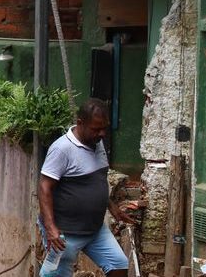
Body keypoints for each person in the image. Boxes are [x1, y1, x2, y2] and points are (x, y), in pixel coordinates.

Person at [38, 98, 135, 277]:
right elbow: (44, 187)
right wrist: (51, 228)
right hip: (66, 232)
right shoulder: (62, 149)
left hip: (95, 229)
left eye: (104, 128)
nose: (102, 133)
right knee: (55, 274)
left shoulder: (97, 143)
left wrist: (111, 206)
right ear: (80, 123)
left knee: (118, 264)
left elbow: (97, 181)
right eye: (96, 129)